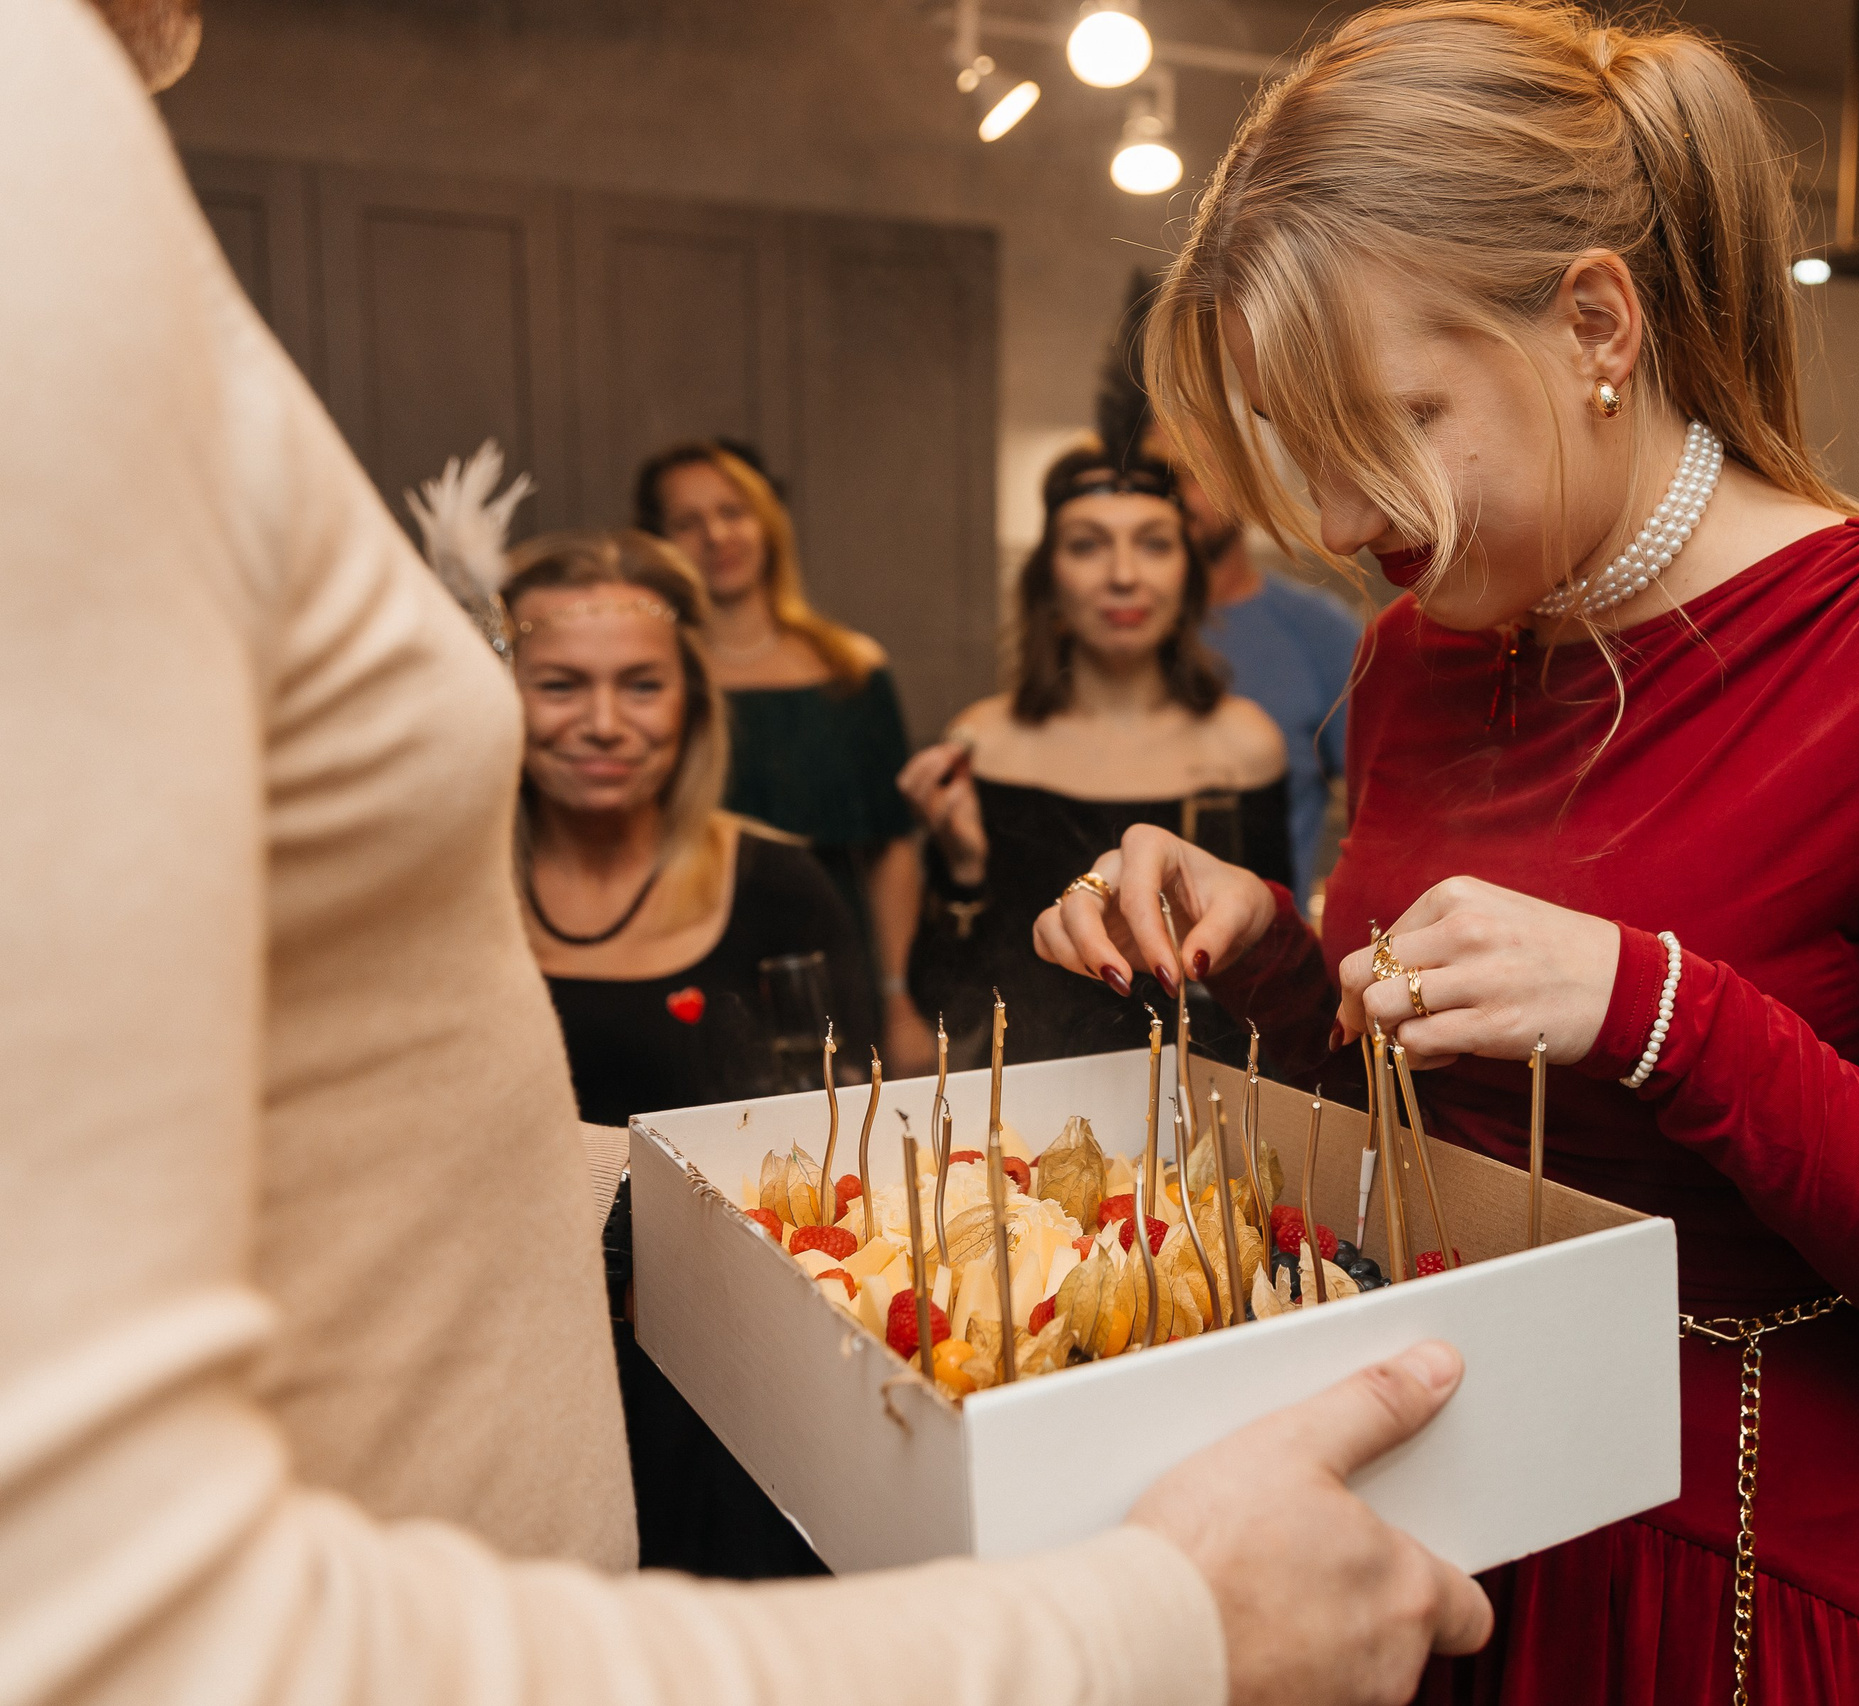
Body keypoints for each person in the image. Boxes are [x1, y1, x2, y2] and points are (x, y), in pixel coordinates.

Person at [1, 3, 1495, 1702]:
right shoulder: (27, 134)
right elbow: (99, 1628)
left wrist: (710, 1211)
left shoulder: (82, 144)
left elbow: (316, 1123)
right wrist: (1151, 1629)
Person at [1034, 3, 1859, 1701]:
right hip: (1455, 1532)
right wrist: (1275, 949)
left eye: (1389, 426)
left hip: (1755, 1587)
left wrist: (1669, 1016)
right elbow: (1445, 1123)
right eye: (1298, 449)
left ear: (1593, 324)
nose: (1340, 523)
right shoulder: (1423, 645)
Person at [506, 526, 867, 1581]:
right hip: (508, 1377)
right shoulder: (441, 898)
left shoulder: (779, 886)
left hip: (719, 1401)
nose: (604, 723)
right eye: (561, 684)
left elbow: (830, 1165)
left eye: (642, 685)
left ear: (693, 699)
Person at [901, 445, 1293, 1064]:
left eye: (1154, 544)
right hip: (1028, 1086)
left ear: (1188, 574)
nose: (1123, 575)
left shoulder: (1243, 745)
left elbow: (1275, 985)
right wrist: (962, 867)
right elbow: (946, 997)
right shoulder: (987, 741)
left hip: (1195, 1093)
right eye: (1087, 545)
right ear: (1048, 578)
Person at [636, 439, 935, 1076]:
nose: (716, 535)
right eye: (687, 522)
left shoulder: (849, 669)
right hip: (689, 957)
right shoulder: (649, 681)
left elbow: (891, 852)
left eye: (733, 510)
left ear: (768, 521)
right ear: (657, 542)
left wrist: (901, 1002)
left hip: (833, 964)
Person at [1102, 276, 1364, 908]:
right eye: (1159, 476)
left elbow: (1378, 814)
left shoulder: (1322, 633)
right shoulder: (1117, 625)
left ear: (1245, 482)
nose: (1174, 498)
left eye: (1191, 475)